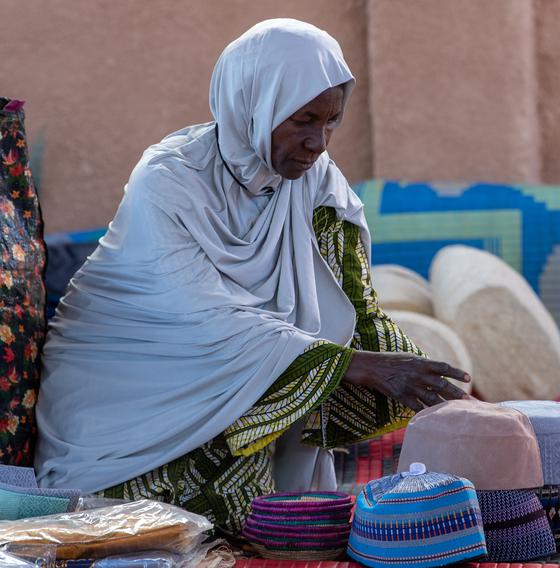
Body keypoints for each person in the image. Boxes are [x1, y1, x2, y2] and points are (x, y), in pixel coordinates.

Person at [34, 19, 469, 534]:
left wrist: (428, 385)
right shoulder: (170, 180)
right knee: (184, 522)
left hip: (240, 375)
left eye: (331, 122)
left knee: (280, 506)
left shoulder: (316, 186)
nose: (318, 143)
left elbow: (357, 305)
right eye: (304, 120)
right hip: (125, 403)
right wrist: (349, 365)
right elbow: (201, 319)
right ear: (254, 105)